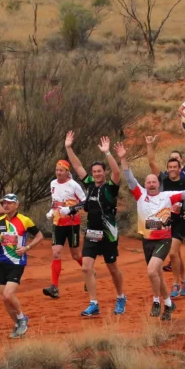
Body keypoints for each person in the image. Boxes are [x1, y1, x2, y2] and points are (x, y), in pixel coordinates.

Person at [116, 141, 185, 320]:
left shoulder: (167, 196)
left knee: (151, 272)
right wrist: (123, 158)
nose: (150, 184)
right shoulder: (140, 195)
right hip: (147, 240)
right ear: (145, 184)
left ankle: (156, 301)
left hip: (163, 240)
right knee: (156, 274)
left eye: (153, 182)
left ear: (159, 183)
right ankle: (169, 304)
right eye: (148, 182)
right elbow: (128, 177)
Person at [63, 132, 127, 317]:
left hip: (109, 232)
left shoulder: (110, 186)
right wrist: (68, 147)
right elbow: (77, 165)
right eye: (94, 172)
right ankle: (93, 303)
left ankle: (121, 297)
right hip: (92, 231)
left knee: (112, 267)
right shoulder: (90, 184)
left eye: (99, 171)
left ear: (104, 173)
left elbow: (117, 172)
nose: (97, 174)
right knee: (86, 267)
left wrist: (107, 153)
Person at [0, 193, 45, 338]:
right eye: (4, 203)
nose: (6, 205)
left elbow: (40, 236)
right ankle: (17, 324)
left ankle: (22, 318)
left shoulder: (25, 220)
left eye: (10, 203)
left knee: (8, 294)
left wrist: (27, 248)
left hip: (17, 262)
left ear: (16, 205)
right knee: (4, 298)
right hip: (2, 262)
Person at [145, 137, 185, 264]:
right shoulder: (163, 180)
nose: (172, 169)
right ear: (167, 168)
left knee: (174, 249)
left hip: (184, 216)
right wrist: (149, 145)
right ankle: (181, 274)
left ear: (180, 168)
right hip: (168, 217)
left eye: (175, 166)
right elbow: (151, 162)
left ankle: (177, 269)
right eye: (170, 167)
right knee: (178, 247)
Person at [42, 158, 85, 299]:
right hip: (58, 222)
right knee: (56, 252)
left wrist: (70, 209)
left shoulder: (74, 185)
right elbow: (55, 201)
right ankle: (54, 287)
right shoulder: (53, 183)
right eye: (57, 170)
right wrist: (51, 211)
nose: (58, 173)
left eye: (61, 170)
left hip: (72, 223)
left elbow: (85, 203)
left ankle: (89, 271)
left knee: (75, 255)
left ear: (67, 172)